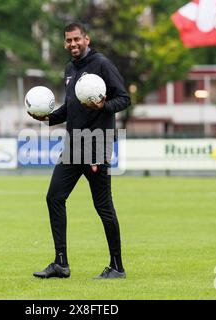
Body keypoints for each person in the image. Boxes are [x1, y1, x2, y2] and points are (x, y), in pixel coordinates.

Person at [27, 22, 131, 279]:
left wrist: (102, 106)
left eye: (77, 39)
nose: (72, 44)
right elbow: (70, 106)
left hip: (96, 143)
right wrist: (48, 118)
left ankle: (116, 266)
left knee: (103, 206)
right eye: (68, 41)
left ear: (87, 39)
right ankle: (60, 263)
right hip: (73, 145)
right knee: (54, 197)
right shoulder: (70, 68)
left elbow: (124, 99)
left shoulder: (102, 65)